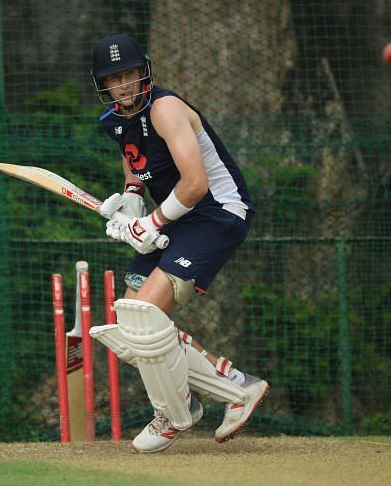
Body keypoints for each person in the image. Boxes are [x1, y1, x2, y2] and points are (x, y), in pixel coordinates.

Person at [87, 33, 268, 453]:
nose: (125, 85)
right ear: (104, 84)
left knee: (145, 313)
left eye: (130, 73)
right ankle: (233, 388)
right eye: (115, 78)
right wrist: (132, 202)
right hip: (178, 217)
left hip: (217, 212)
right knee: (129, 328)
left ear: (144, 71)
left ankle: (174, 412)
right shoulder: (115, 121)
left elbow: (195, 183)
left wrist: (152, 221)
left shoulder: (166, 108)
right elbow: (136, 164)